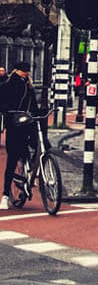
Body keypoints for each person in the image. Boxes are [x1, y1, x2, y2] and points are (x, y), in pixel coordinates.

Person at [0, 61, 39, 210]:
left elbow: (33, 104)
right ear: (16, 71)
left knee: (39, 145)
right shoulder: (8, 84)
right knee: (12, 159)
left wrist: (39, 113)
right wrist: (8, 111)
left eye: (27, 71)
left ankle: (33, 170)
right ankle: (5, 195)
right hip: (14, 125)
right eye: (24, 71)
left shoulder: (29, 86)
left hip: (28, 124)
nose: (26, 74)